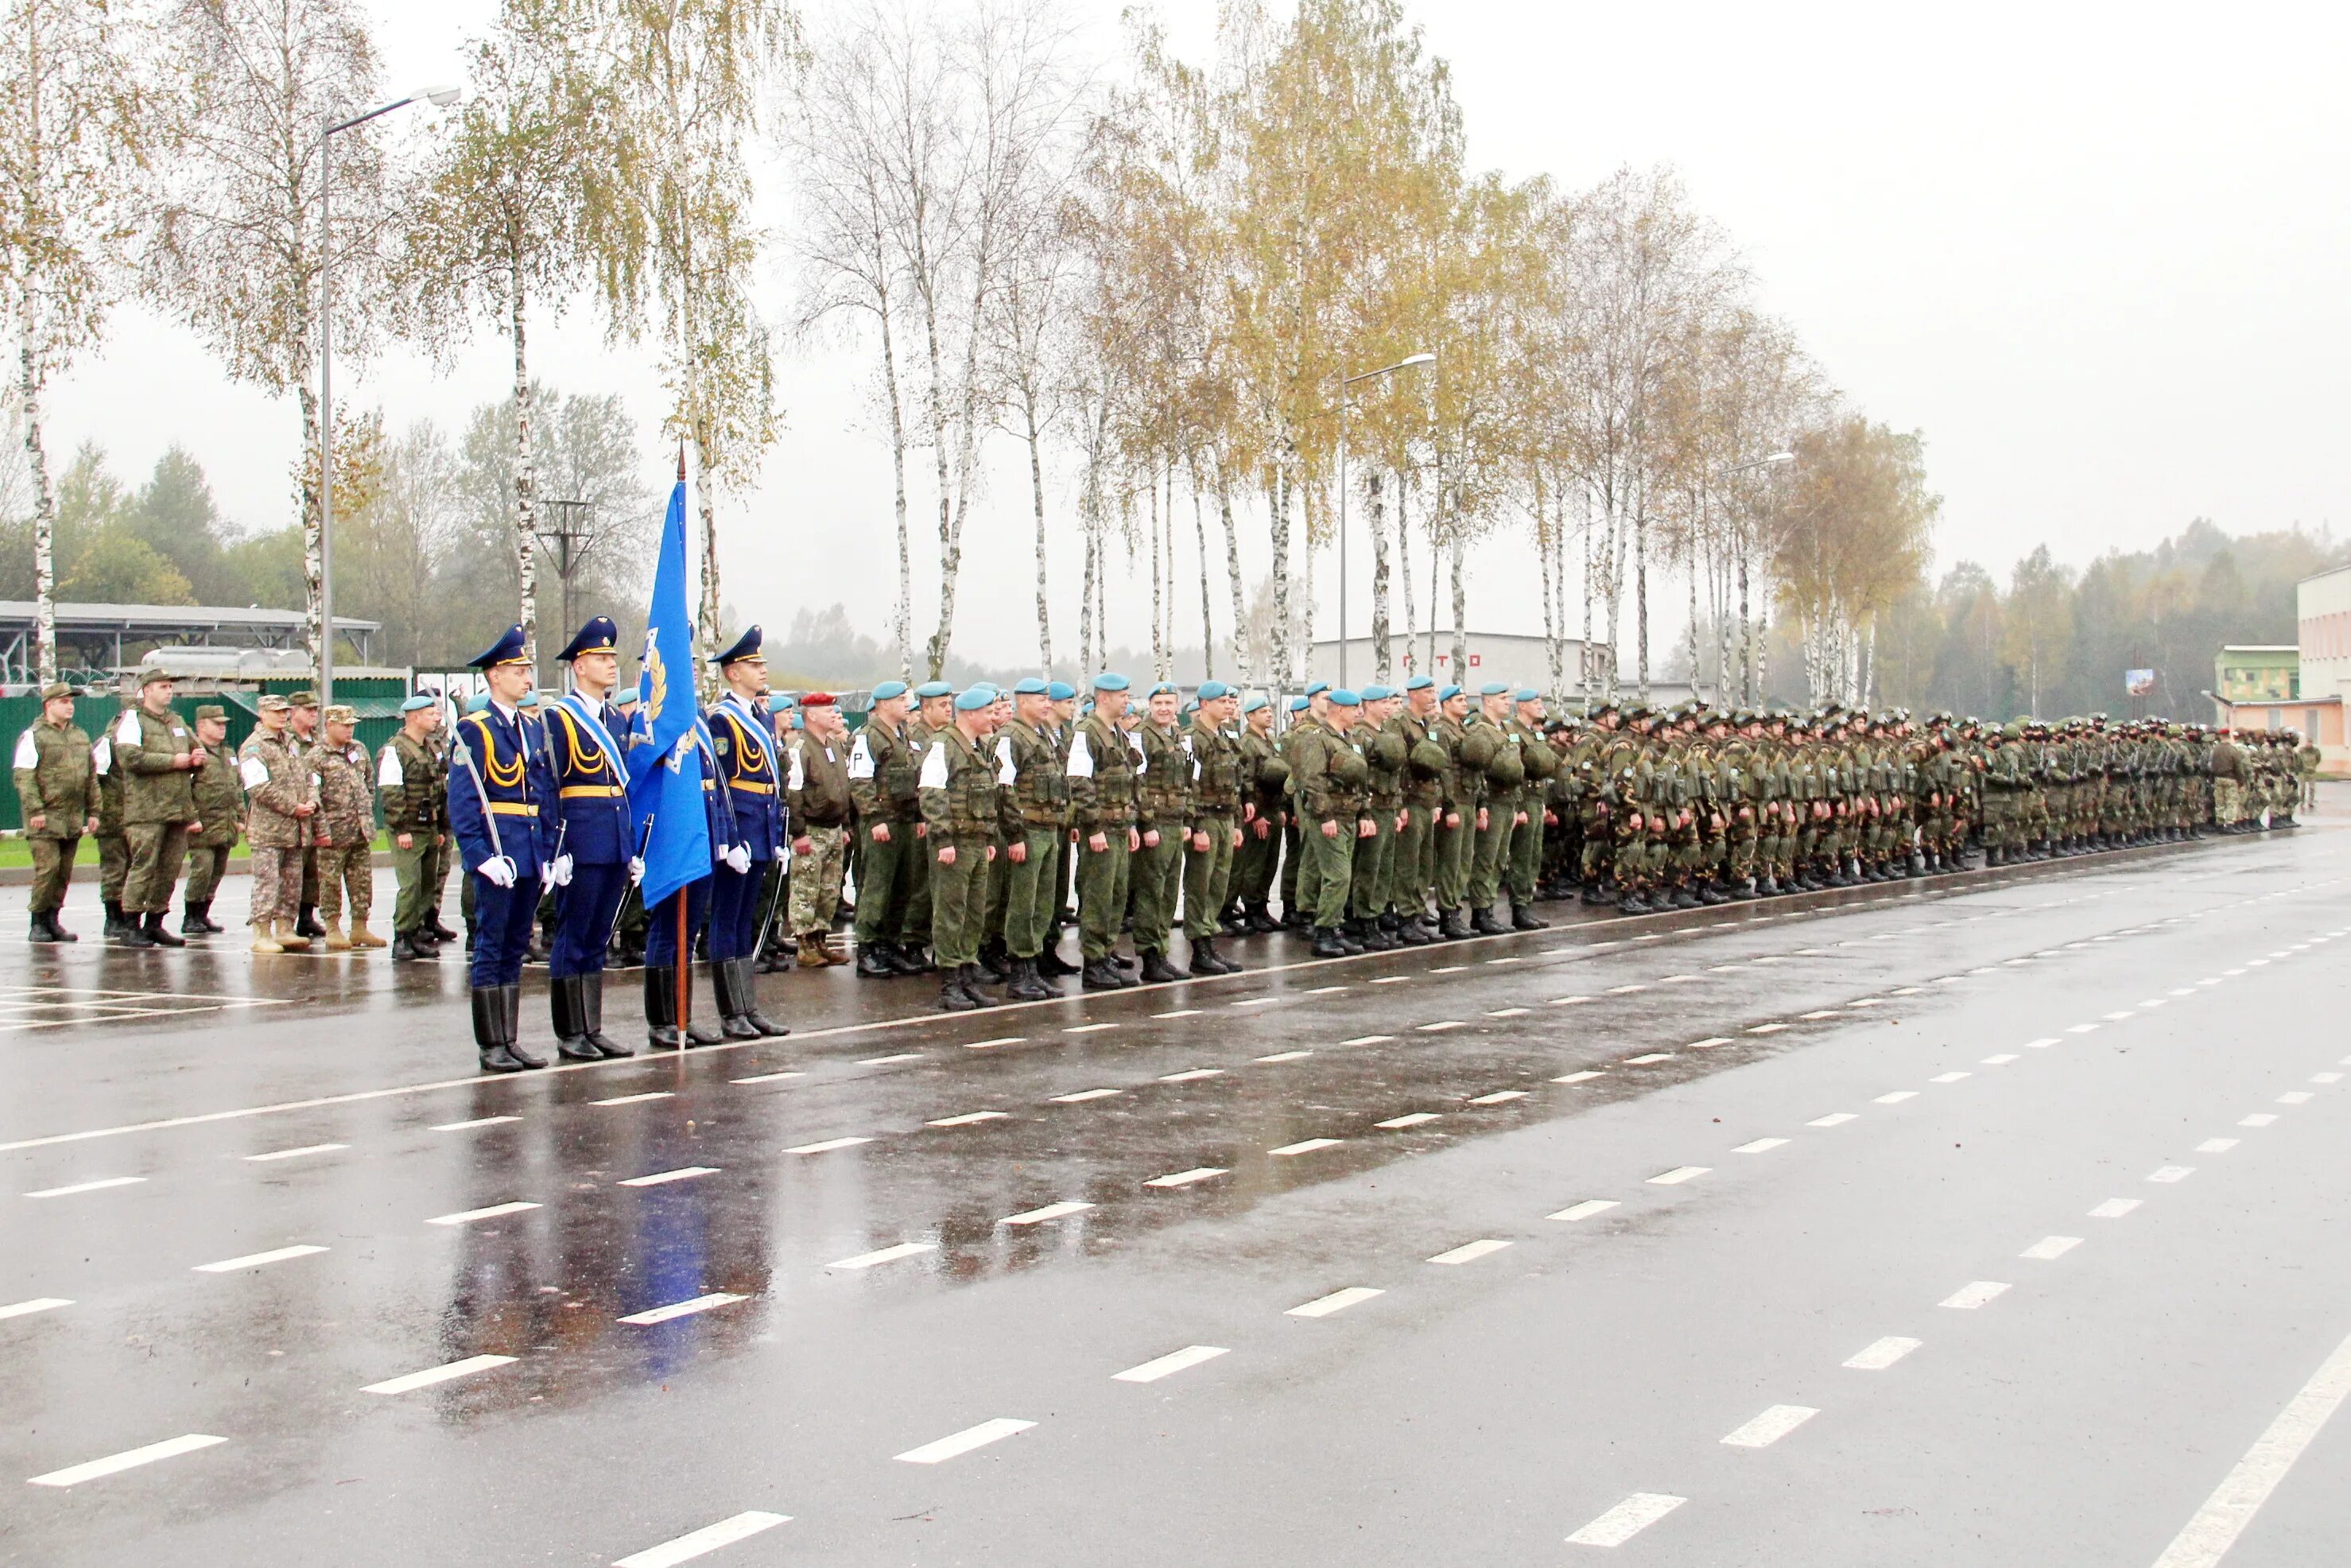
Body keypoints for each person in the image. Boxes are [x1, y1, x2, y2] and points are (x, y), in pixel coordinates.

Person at [447, 626, 555, 1073]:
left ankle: (509, 1040)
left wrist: (548, 851)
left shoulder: (530, 728)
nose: (526, 678)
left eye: (527, 669)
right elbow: (464, 798)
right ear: (494, 675)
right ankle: (491, 1044)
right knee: (491, 945)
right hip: (498, 852)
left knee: (515, 945)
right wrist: (479, 856)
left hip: (527, 851)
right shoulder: (475, 729)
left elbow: (543, 794)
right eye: (517, 670)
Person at [531, 618, 638, 1058]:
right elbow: (548, 785)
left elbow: (622, 786)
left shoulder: (614, 717)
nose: (610, 665)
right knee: (573, 936)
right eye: (600, 658)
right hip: (579, 840)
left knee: (598, 937)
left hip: (613, 840)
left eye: (612, 657)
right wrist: (557, 849)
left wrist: (629, 845)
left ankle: (591, 1027)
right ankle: (569, 1032)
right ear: (578, 667)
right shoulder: (558, 718)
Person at [705, 627, 789, 1039]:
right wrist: (729, 838)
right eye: (755, 665)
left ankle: (747, 1006)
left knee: (746, 921)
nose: (763, 670)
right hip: (738, 830)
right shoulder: (722, 720)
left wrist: (776, 836)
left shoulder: (761, 716)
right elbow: (722, 784)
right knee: (727, 919)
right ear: (734, 672)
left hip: (761, 829)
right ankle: (730, 1012)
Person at [921, 685, 1009, 1009]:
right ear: (971, 714)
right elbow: (932, 793)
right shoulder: (944, 745)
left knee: (974, 914)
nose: (993, 717)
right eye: (988, 712)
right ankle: (949, 982)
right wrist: (943, 840)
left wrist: (986, 839)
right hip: (954, 844)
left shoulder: (979, 747)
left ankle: (967, 976)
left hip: (976, 842)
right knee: (950, 912)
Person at [113, 666, 204, 948]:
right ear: (148, 689)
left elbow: (194, 747)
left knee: (169, 869)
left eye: (170, 686)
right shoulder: (133, 719)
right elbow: (129, 758)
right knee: (144, 867)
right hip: (147, 810)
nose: (169, 691)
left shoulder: (175, 720)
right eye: (163, 686)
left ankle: (155, 922)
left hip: (177, 808)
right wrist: (173, 761)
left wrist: (198, 757)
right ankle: (129, 924)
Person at [995, 677, 1069, 999]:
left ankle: (1033, 966)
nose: (1047, 705)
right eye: (1041, 700)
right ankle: (1018, 971)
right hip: (1027, 831)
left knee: (1042, 903)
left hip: (1049, 828)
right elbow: (1003, 789)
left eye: (1047, 699)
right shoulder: (1010, 737)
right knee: (1022, 904)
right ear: (1022, 702)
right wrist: (1014, 834)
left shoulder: (1045, 735)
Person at [1068, 673, 1141, 990]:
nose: (1127, 701)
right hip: (1101, 829)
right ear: (1103, 698)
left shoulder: (1117, 733)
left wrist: (1132, 823)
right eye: (1122, 696)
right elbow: (1079, 782)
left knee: (1117, 894)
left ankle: (1107, 952)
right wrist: (1093, 827)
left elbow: (1129, 781)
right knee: (1098, 895)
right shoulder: (1087, 732)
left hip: (1120, 826)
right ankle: (1094, 962)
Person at [848, 679, 923, 977]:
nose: (907, 704)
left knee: (902, 888)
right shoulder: (870, 736)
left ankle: (891, 946)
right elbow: (860, 781)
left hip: (904, 821)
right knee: (876, 887)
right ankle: (867, 948)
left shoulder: (902, 735)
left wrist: (918, 818)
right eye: (902, 699)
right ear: (884, 704)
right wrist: (875, 818)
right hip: (883, 823)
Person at [14, 681, 97, 943]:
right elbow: (24, 777)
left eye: (71, 702)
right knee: (47, 869)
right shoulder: (34, 735)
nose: (70, 706)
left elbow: (90, 776)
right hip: (45, 816)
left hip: (71, 817)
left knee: (63, 872)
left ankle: (53, 919)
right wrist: (35, 810)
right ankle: (37, 921)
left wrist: (94, 810)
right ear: (49, 705)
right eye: (64, 702)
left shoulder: (79, 736)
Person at [239, 694, 315, 953]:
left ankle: (285, 928)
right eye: (276, 712)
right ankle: (262, 932)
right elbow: (258, 787)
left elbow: (306, 776)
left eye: (285, 711)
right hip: (268, 829)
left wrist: (310, 801)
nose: (282, 716)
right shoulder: (254, 747)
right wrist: (292, 807)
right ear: (262, 714)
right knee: (267, 882)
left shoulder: (290, 743)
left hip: (294, 829)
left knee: (292, 882)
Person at [381, 694, 452, 961]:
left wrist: (442, 828)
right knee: (410, 885)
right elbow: (391, 792)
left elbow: (440, 788)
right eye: (430, 714)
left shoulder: (429, 747)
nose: (436, 718)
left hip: (430, 826)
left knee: (427, 883)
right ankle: (402, 936)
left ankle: (418, 933)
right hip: (409, 827)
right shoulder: (396, 749)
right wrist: (401, 830)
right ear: (414, 718)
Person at [785, 691, 854, 965]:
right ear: (811, 715)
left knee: (828, 890)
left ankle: (820, 941)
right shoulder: (801, 748)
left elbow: (842, 788)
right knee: (806, 889)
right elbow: (794, 793)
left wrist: (845, 825)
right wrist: (798, 832)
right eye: (828, 711)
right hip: (811, 830)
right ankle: (804, 945)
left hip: (834, 828)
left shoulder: (834, 746)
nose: (834, 716)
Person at [1131, 681, 1193, 981]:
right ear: (1150, 706)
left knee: (1168, 892)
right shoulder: (1141, 737)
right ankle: (1149, 955)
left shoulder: (1178, 735)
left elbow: (1186, 781)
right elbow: (1137, 784)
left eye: (1169, 704)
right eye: (1158, 704)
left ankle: (1162, 949)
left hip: (1175, 821)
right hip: (1156, 824)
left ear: (1177, 707)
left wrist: (1188, 820)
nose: (1164, 709)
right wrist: (1147, 824)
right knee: (1151, 891)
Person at [1182, 681, 1246, 974]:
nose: (1227, 706)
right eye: (1221, 701)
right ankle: (1199, 946)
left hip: (1224, 817)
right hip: (1205, 818)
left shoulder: (1225, 736)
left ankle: (1209, 940)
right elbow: (1189, 785)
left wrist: (1236, 823)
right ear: (1205, 705)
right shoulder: (1193, 738)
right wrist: (1196, 827)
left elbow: (1235, 783)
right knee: (1200, 884)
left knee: (1219, 883)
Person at [308, 704, 383, 951]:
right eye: (345, 725)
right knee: (329, 881)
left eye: (352, 725)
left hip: (360, 829)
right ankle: (332, 927)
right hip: (333, 831)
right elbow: (313, 795)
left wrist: (366, 811)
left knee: (362, 879)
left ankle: (360, 926)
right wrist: (321, 829)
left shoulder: (359, 750)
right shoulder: (316, 757)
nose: (350, 730)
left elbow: (369, 783)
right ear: (330, 725)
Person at [180, 704, 239, 937]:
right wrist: (191, 818)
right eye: (217, 724)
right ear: (202, 725)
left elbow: (236, 787)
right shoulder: (196, 754)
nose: (222, 728)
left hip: (225, 823)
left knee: (217, 870)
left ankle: (203, 913)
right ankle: (190, 915)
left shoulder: (228, 753)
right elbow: (184, 790)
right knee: (202, 869)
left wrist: (240, 817)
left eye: (224, 724)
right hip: (203, 824)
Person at [1232, 692, 1288, 935]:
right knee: (1254, 864)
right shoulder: (1248, 743)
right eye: (1263, 712)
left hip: (1274, 808)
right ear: (1250, 716)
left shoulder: (1270, 741)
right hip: (1260, 812)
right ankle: (1253, 910)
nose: (1268, 715)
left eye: (1269, 711)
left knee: (1270, 864)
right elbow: (1248, 780)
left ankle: (1263, 908)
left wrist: (1280, 809)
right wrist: (1256, 815)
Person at [285, 690, 326, 939]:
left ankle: (306, 917)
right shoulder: (286, 741)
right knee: (292, 871)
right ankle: (285, 922)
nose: (313, 714)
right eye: (308, 709)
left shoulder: (317, 742)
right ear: (293, 712)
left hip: (315, 812)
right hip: (292, 812)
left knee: (313, 870)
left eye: (315, 709)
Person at [91, 694, 131, 941]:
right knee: (115, 869)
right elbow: (94, 779)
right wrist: (96, 811)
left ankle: (126, 916)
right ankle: (113, 919)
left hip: (132, 818)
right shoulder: (107, 743)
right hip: (112, 819)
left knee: (129, 868)